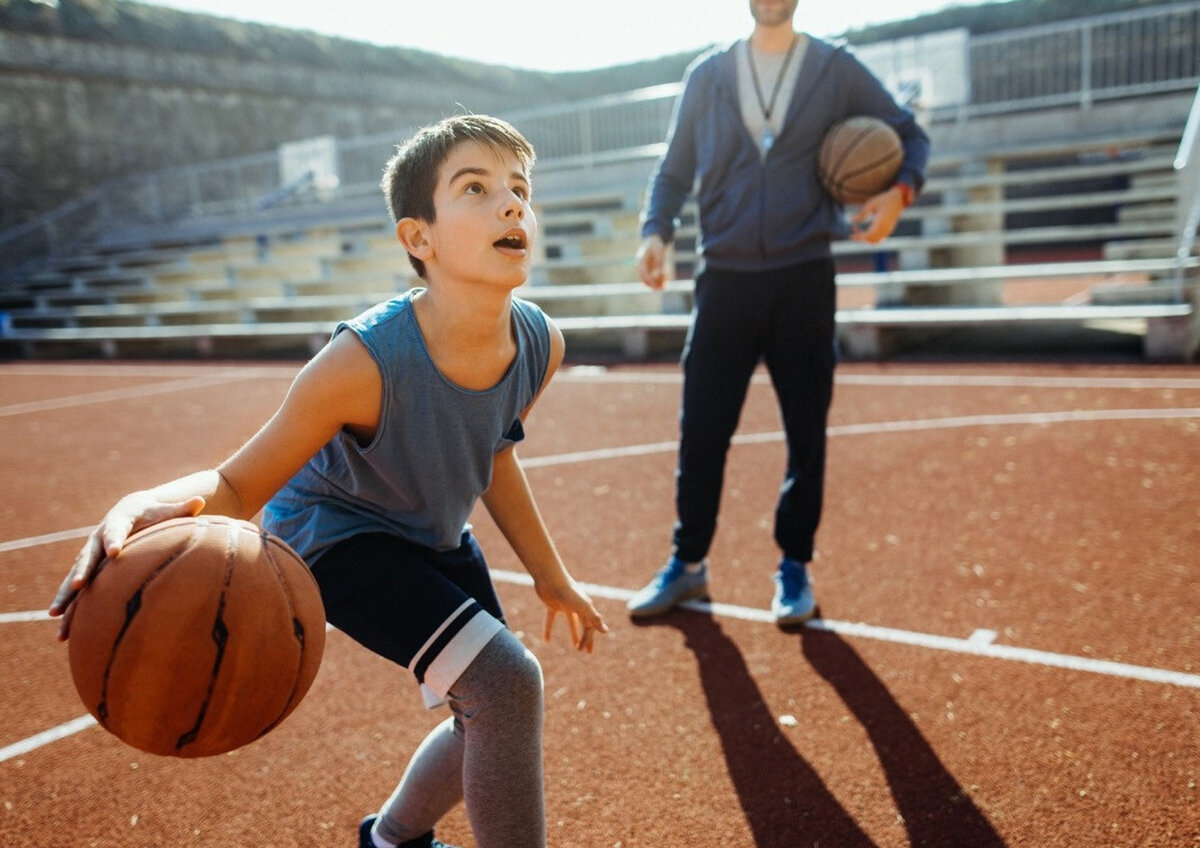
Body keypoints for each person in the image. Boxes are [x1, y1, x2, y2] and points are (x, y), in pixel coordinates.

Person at [49, 114, 608, 848]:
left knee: (491, 705)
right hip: (336, 537)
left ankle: (391, 838)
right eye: (476, 187)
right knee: (506, 683)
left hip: (434, 533)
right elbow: (240, 486)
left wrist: (552, 576)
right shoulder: (363, 362)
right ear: (419, 238)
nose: (511, 204)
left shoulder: (540, 343)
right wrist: (139, 503)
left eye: (519, 189)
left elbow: (494, 455)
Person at [627, 0, 930, 627]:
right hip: (725, 278)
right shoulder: (707, 76)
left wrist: (899, 193)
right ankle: (688, 564)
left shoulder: (833, 68)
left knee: (805, 433)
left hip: (803, 276)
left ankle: (794, 564)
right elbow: (674, 170)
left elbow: (911, 136)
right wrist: (655, 231)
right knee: (702, 429)